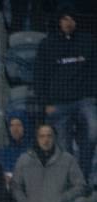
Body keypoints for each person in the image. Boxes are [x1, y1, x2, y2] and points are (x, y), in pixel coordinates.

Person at [34, 5, 97, 180]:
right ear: (59, 21)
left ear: (76, 21)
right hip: (58, 103)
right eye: (64, 19)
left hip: (84, 100)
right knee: (63, 146)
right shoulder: (47, 45)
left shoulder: (88, 41)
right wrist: (45, 104)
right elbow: (40, 76)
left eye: (71, 19)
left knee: (93, 130)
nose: (68, 23)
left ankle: (82, 176)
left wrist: (92, 96)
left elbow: (94, 70)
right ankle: (72, 181)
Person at [11, 123, 86, 202]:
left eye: (49, 136)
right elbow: (15, 186)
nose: (46, 140)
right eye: (42, 136)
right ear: (36, 138)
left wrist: (62, 199)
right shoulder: (24, 160)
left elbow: (80, 185)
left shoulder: (67, 159)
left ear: (55, 138)